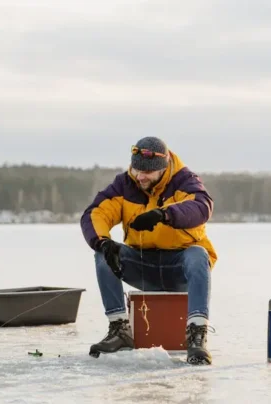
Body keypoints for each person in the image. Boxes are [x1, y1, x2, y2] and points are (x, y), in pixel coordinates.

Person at [80, 136, 218, 365]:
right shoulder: (124, 184)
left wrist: (164, 214)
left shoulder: (185, 181)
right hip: (143, 265)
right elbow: (96, 213)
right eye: (136, 170)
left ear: (163, 169)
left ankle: (196, 336)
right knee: (103, 254)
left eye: (147, 172)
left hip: (180, 268)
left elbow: (201, 207)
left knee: (198, 255)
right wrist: (103, 242)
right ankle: (120, 330)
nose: (140, 176)